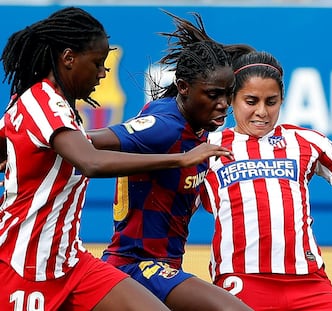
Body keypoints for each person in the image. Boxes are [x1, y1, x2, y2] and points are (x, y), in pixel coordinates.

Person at [0, 7, 233, 311]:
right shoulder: (44, 104)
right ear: (68, 59)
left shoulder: (49, 106)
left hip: (70, 263)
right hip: (25, 264)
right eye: (97, 63)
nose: (103, 73)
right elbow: (91, 163)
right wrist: (179, 160)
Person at [200, 48, 332, 310]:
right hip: (243, 280)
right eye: (251, 100)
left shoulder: (306, 141)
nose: (262, 112)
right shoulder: (207, 145)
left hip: (309, 284)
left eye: (271, 101)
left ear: (282, 100)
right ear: (232, 100)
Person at [88, 11, 252, 311]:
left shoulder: (194, 124)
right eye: (214, 95)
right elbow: (87, 142)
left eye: (228, 94)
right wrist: (22, 146)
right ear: (184, 88)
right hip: (136, 266)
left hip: (164, 267)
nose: (224, 104)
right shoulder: (165, 126)